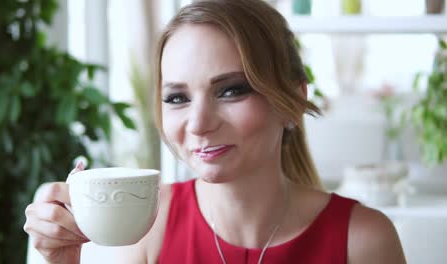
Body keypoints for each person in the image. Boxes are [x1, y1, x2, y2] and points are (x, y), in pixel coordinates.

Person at [24, 0, 406, 263]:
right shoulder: (151, 227)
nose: (199, 122)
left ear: (291, 100)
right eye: (177, 98)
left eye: (231, 90)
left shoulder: (364, 242)